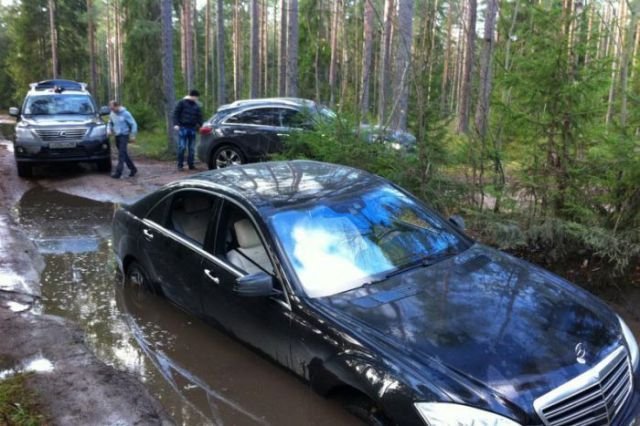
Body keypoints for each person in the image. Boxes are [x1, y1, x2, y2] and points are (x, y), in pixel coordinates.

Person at [173, 89, 203, 170]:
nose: (197, 99)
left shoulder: (197, 106)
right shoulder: (181, 103)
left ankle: (191, 165)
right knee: (182, 147)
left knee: (192, 148)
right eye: (196, 97)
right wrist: (176, 124)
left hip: (192, 129)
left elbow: (199, 117)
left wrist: (200, 125)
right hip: (182, 128)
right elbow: (176, 114)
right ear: (192, 96)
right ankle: (180, 165)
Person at [107, 100, 138, 179]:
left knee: (121, 154)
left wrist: (133, 135)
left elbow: (133, 124)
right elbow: (110, 123)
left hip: (124, 135)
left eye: (113, 108)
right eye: (111, 109)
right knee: (123, 153)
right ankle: (133, 169)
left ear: (117, 106)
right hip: (117, 136)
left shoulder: (125, 113)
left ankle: (118, 173)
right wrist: (109, 130)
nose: (112, 110)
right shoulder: (112, 114)